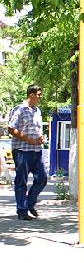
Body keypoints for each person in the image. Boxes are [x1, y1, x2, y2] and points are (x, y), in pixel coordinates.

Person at [8, 85, 47, 221]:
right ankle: (22, 211)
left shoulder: (38, 111)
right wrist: (29, 139)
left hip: (36, 150)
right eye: (39, 94)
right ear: (31, 95)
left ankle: (29, 203)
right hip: (22, 151)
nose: (40, 97)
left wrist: (40, 138)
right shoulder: (19, 109)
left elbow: (37, 129)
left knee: (42, 178)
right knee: (21, 181)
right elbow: (11, 129)